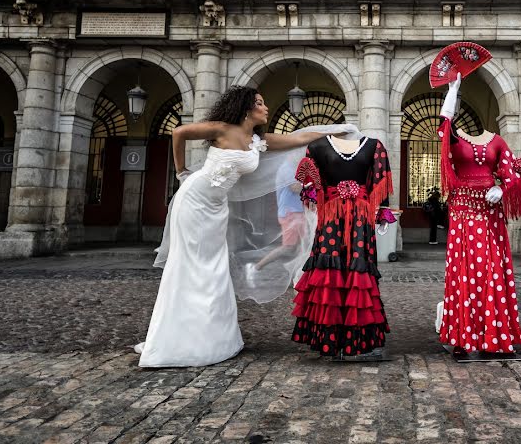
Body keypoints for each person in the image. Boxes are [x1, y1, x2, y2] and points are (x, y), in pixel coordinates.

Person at [136, 86, 327, 368]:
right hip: (195, 200)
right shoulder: (222, 128)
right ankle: (175, 338)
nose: (265, 108)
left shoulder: (259, 141)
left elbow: (300, 138)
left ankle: (212, 338)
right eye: (260, 103)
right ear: (247, 108)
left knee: (214, 267)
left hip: (216, 207)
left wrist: (336, 132)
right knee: (191, 266)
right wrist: (180, 172)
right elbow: (179, 133)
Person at [436, 74, 521, 358]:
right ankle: (463, 339)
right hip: (463, 211)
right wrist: (452, 91)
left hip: (489, 214)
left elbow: (518, 174)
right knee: (463, 272)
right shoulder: (454, 138)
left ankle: (494, 338)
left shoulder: (497, 141)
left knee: (491, 270)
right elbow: (443, 128)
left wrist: (502, 188)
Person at [291, 133, 394, 358]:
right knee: (330, 270)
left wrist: (383, 213)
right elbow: (309, 186)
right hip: (330, 216)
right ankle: (329, 339)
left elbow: (381, 182)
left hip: (361, 218)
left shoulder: (374, 146)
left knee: (359, 269)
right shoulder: (316, 146)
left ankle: (357, 339)